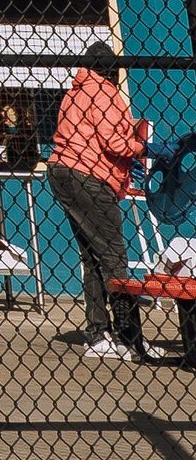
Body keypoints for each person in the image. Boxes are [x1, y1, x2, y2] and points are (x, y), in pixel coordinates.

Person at [48, 38, 152, 360]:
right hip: (89, 175)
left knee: (92, 257)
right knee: (113, 256)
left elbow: (94, 133)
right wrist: (144, 146)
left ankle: (98, 335)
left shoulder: (75, 91)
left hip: (62, 171)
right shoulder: (105, 91)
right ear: (110, 69)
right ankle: (129, 338)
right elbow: (113, 143)